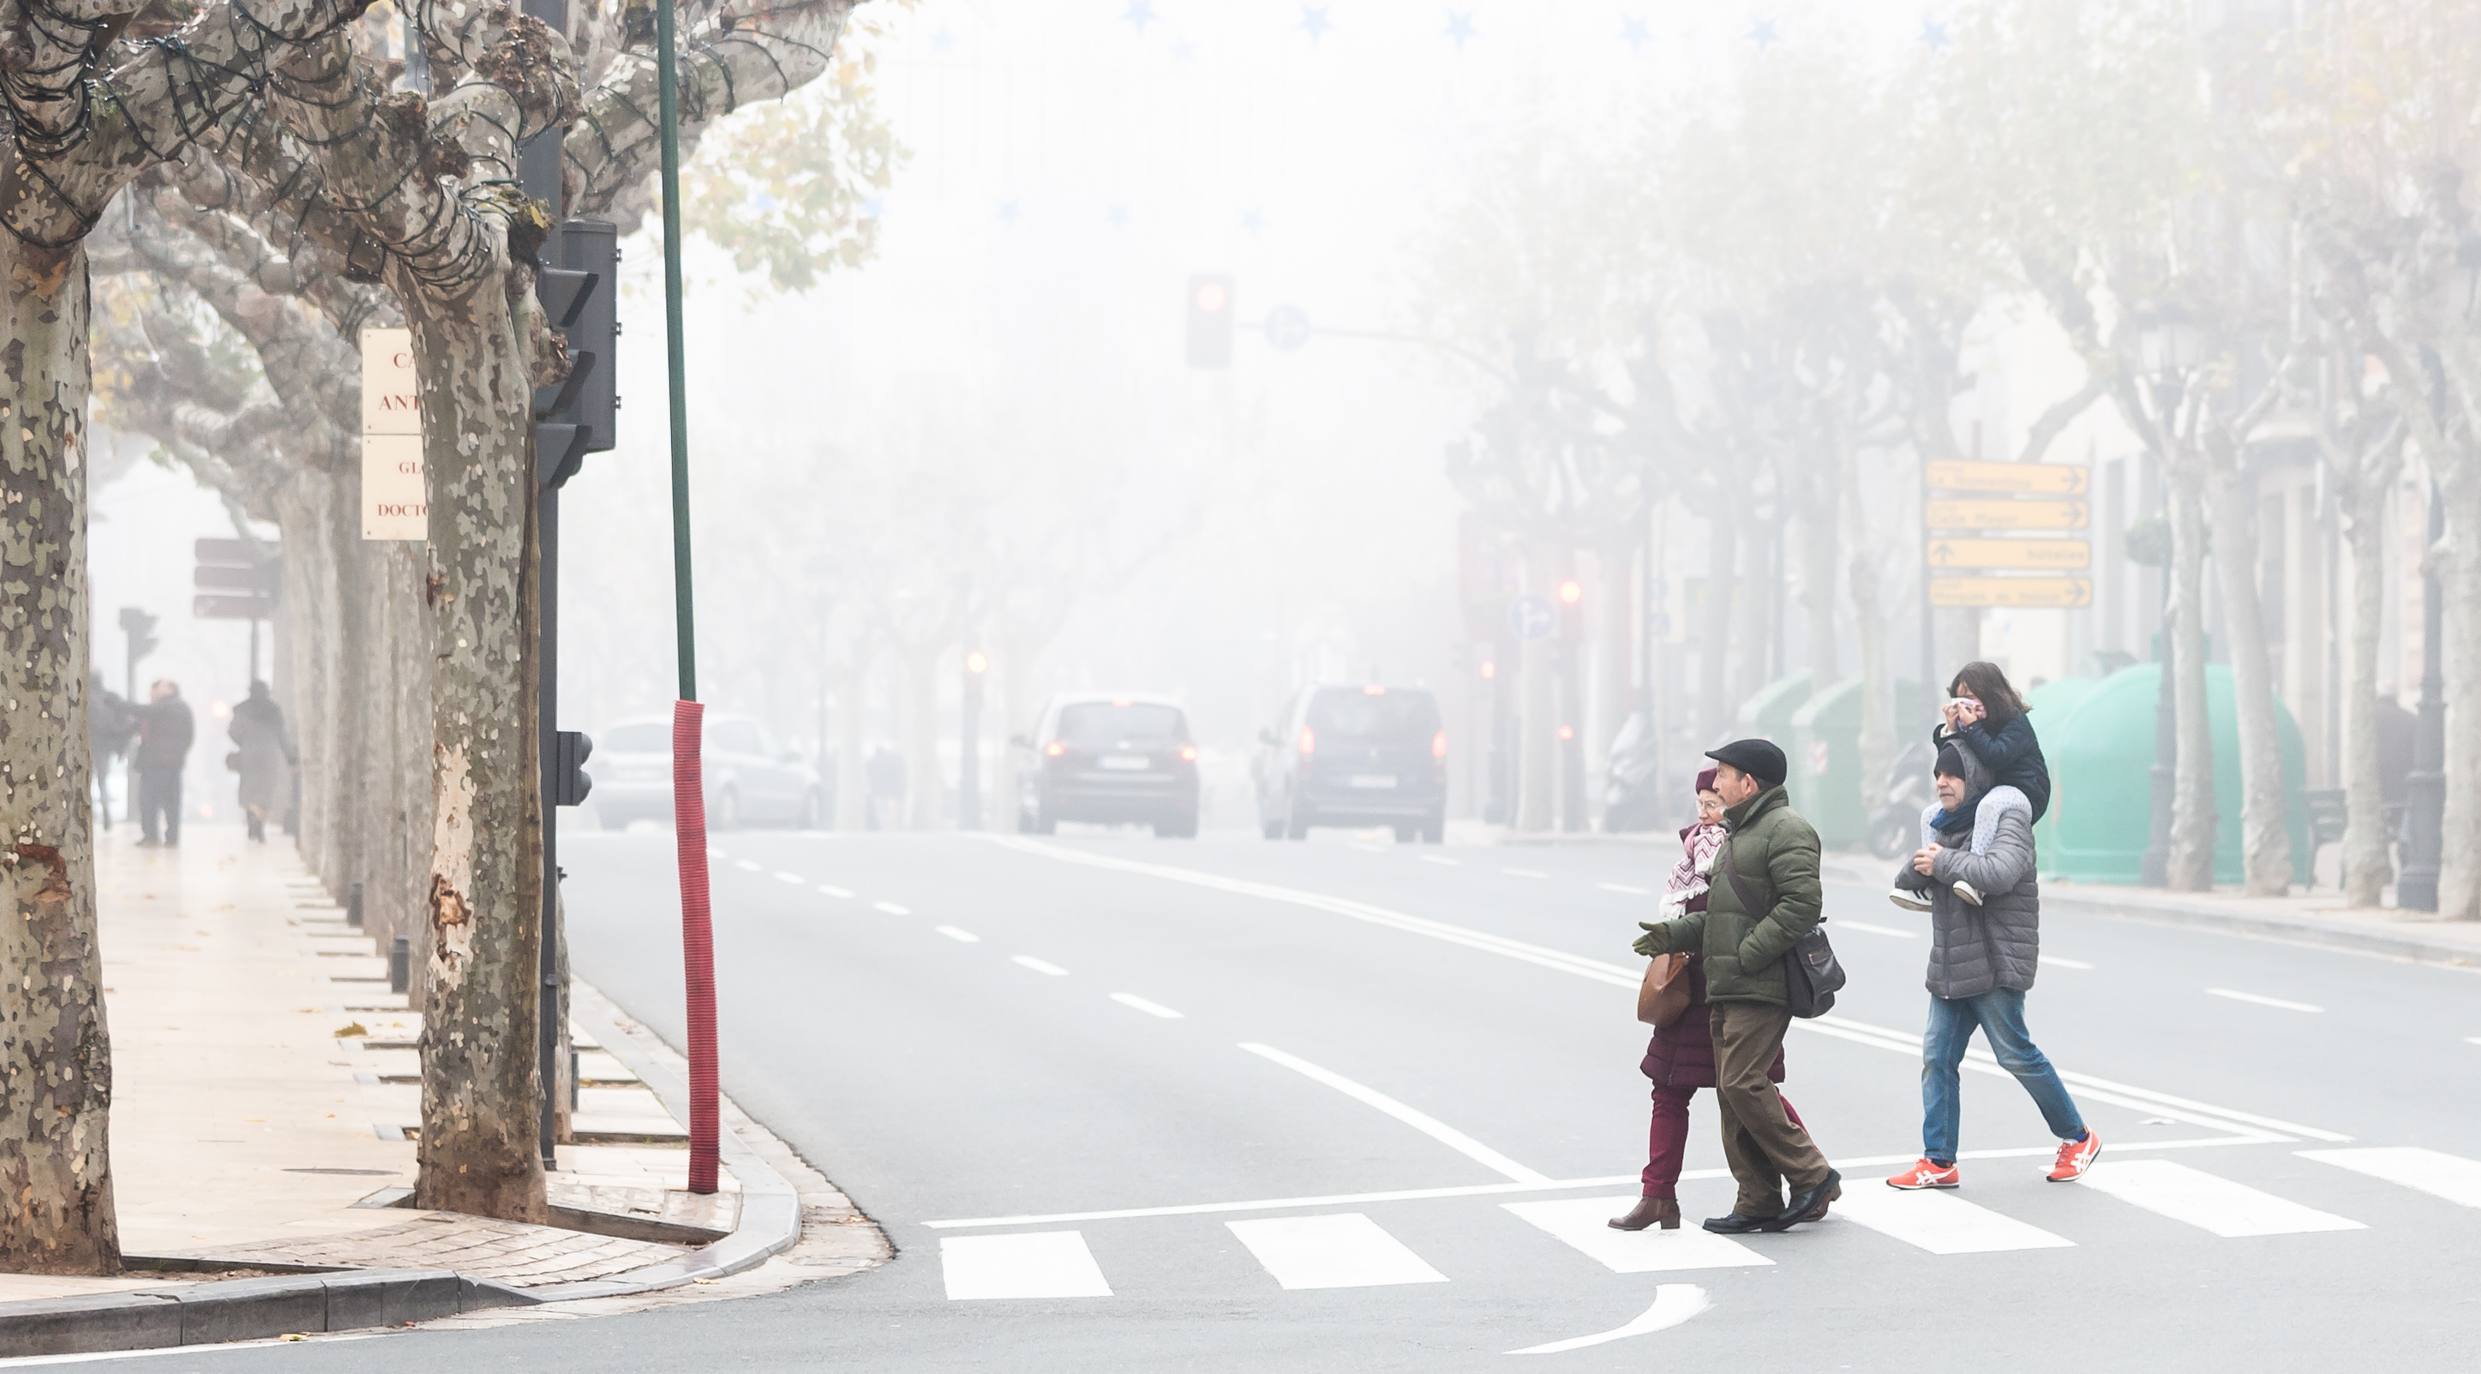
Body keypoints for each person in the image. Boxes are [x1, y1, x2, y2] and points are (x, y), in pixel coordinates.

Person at [1632, 738, 1841, 1235]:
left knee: (1741, 1082)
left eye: (1723, 774)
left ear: (1749, 783)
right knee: (1732, 1092)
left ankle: (1813, 1174)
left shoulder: (1787, 830)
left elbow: (1800, 905)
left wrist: (1749, 954)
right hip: (1728, 982)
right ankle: (1758, 1197)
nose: (1717, 782)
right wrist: (1672, 934)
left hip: (1759, 983)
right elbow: (1721, 918)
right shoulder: (1737, 834)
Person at [1885, 742, 2101, 1191]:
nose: (1942, 782)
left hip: (1996, 959)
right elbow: (1908, 877)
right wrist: (1928, 862)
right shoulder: (1943, 826)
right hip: (1951, 964)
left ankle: (2079, 1137)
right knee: (1936, 1059)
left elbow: (2000, 873)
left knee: (2015, 1054)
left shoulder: (2007, 820)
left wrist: (1941, 862)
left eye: (1953, 774)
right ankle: (1938, 1160)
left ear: (1976, 778)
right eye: (1938, 774)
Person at [1894, 661, 2051, 911]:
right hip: (1992, 789)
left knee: (1989, 806)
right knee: (1929, 815)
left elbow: (1995, 756)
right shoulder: (1975, 726)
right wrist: (1951, 729)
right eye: (1959, 698)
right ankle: (1927, 882)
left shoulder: (2014, 722)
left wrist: (1973, 727)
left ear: (1990, 694)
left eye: (1970, 697)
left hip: (2025, 791)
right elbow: (1958, 759)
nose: (1964, 703)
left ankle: (1975, 880)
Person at [228, 681, 294, 845]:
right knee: (266, 790)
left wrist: (243, 742)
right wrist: (290, 756)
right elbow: (282, 735)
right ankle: (259, 822)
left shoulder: (242, 709)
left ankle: (251, 818)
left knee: (249, 789)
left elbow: (233, 731)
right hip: (269, 754)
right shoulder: (274, 710)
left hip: (249, 753)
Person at [133, 678, 195, 848]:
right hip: (169, 763)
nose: (153, 691)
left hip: (157, 763)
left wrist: (117, 704)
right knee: (170, 802)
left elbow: (139, 712)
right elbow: (189, 736)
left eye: (158, 687)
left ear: (169, 689)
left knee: (150, 800)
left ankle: (152, 836)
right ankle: (170, 836)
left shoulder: (165, 707)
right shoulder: (175, 707)